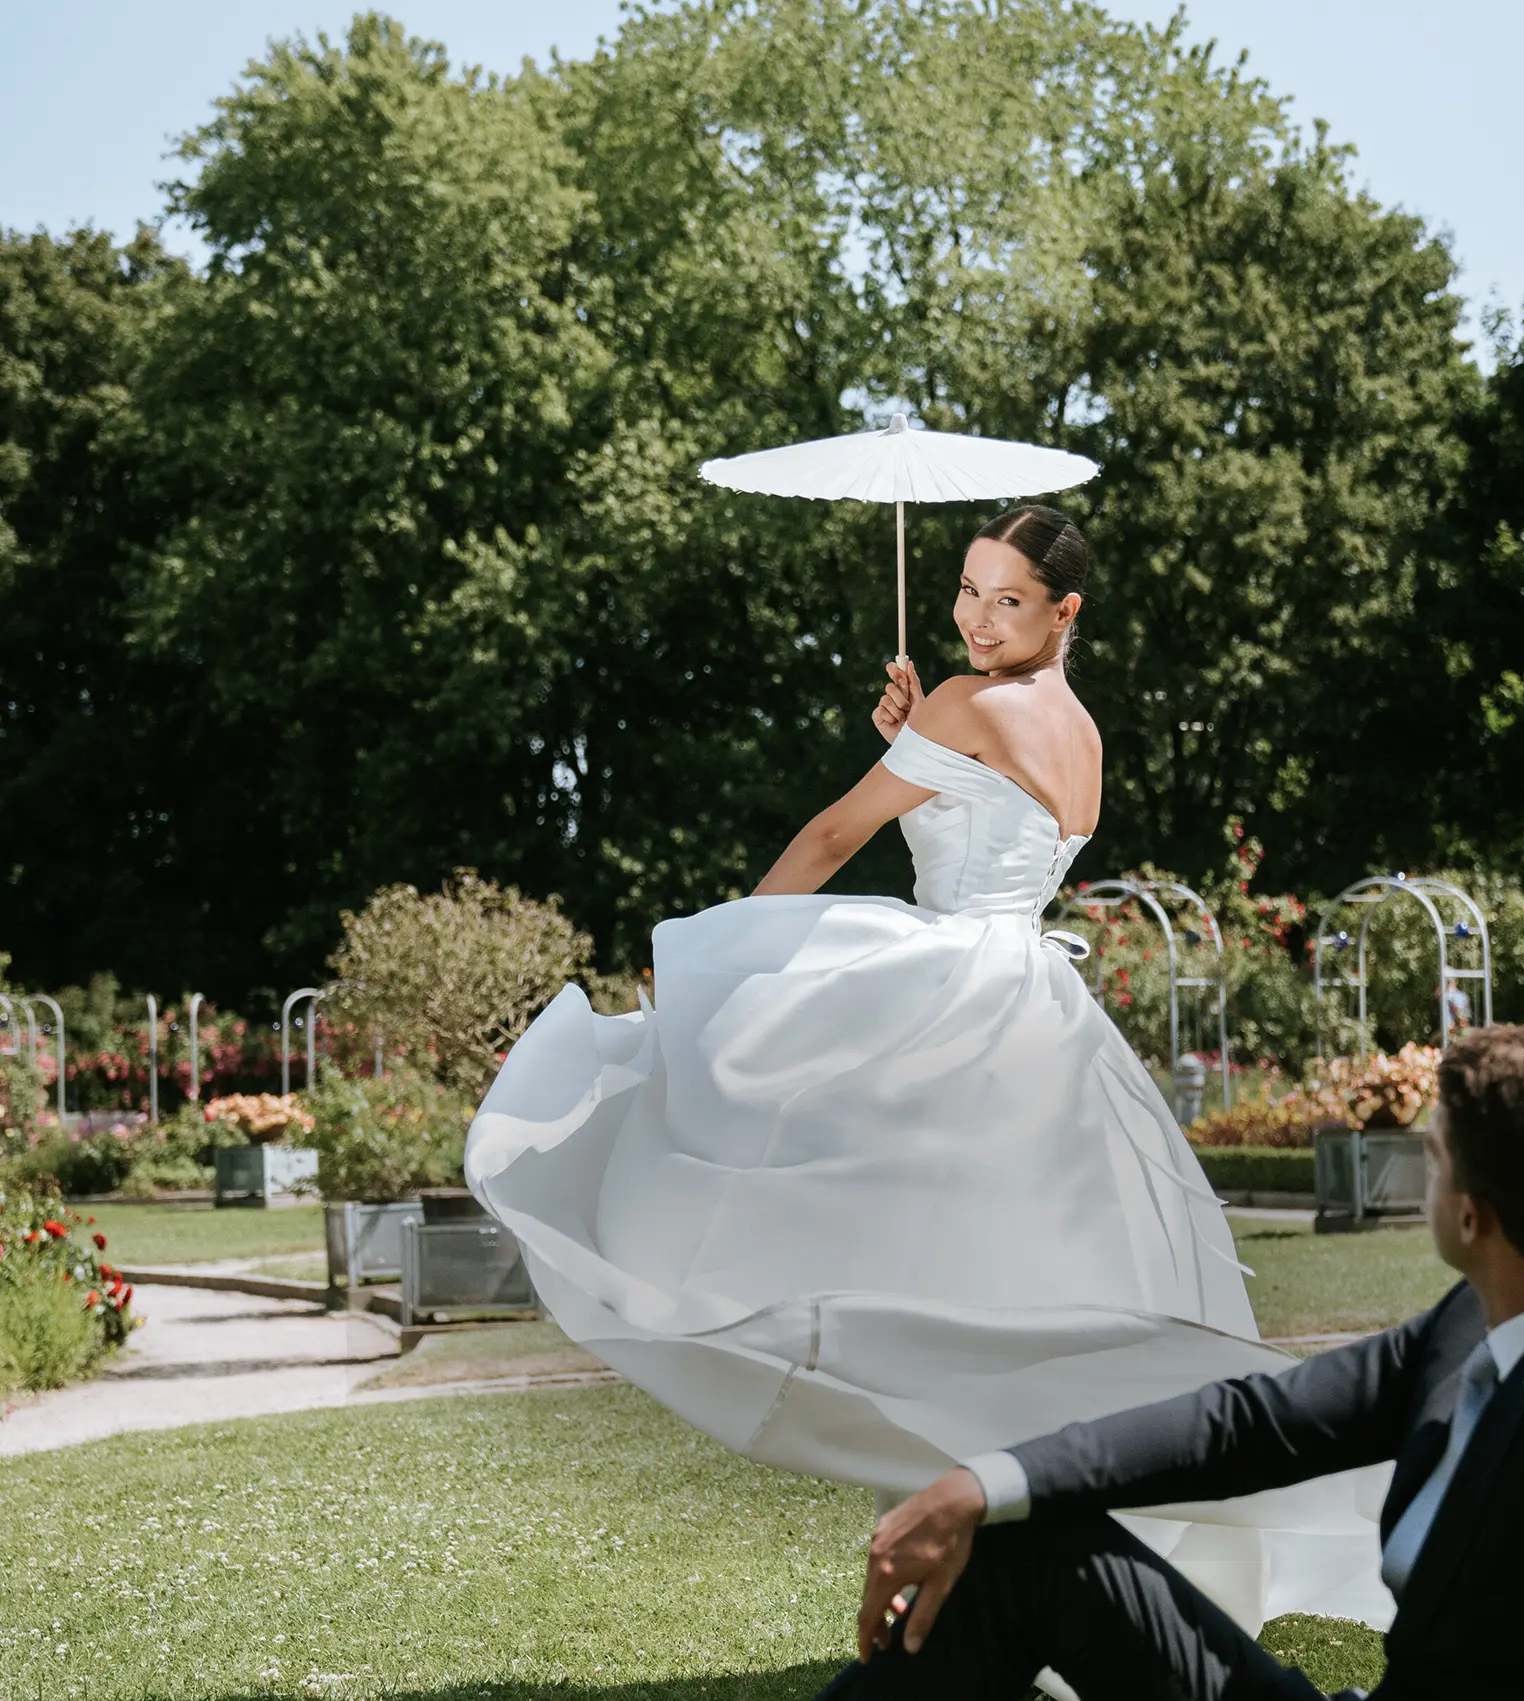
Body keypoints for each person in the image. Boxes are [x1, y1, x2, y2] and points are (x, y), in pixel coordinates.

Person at [465, 505, 1391, 1640]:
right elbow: (994, 809)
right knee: (1012, 1284)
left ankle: (958, 1578)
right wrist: (922, 741)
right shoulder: (1084, 732)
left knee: (869, 1241)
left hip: (949, 985)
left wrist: (717, 971)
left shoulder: (963, 705)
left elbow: (829, 840)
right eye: (965, 589)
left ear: (1065, 611)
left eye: (1008, 600)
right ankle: (1024, 1572)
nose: (976, 617)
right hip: (1039, 1015)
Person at [820, 1022, 1524, 1701]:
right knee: (1021, 1549)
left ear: (1471, 1214)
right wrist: (979, 1484)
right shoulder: (1475, 1326)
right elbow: (1251, 1425)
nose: (1422, 1172)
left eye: (1431, 1156)